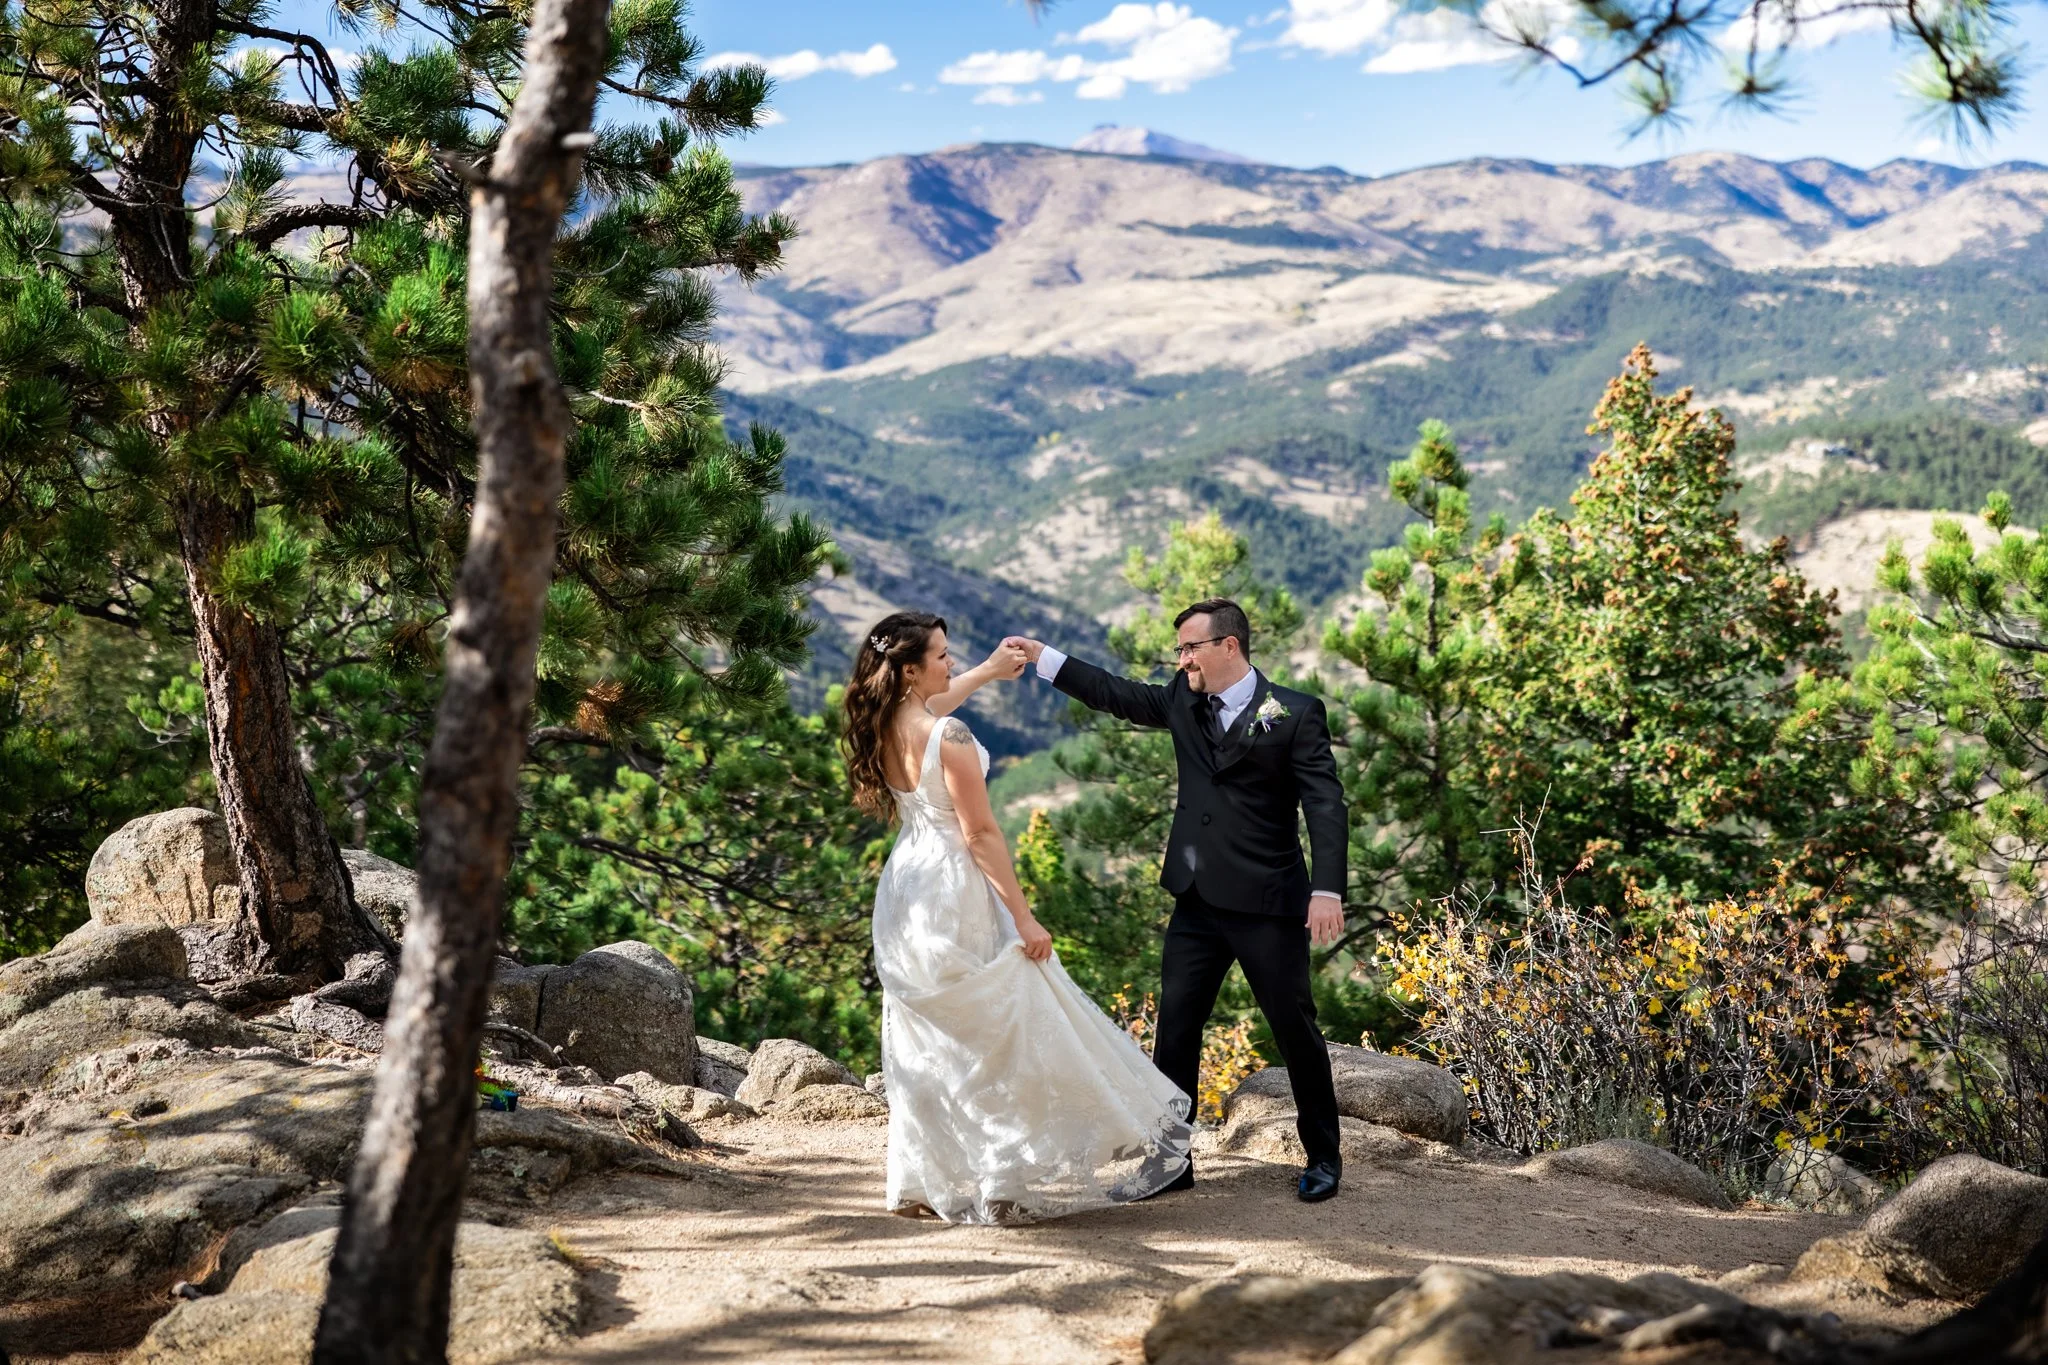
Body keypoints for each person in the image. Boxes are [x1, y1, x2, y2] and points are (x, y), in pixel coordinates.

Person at [844, 611, 1193, 1224]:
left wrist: (984, 672)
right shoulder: (947, 736)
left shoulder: (884, 719)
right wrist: (1025, 917)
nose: (951, 664)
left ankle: (922, 1181)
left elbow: (939, 702)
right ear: (909, 669)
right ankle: (1001, 1180)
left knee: (934, 1031)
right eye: (943, 657)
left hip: (906, 886)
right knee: (998, 1031)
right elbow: (980, 833)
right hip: (955, 884)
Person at [1004, 598, 1349, 1203]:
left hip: (1269, 903)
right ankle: (1170, 1163)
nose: (1181, 658)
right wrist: (1043, 659)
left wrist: (1327, 889)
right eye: (1180, 650)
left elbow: (1325, 805)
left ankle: (1324, 1156)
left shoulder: (1294, 713)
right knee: (1177, 1032)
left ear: (1229, 647)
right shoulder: (1182, 700)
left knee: (1294, 1030)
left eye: (1190, 647)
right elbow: (1114, 692)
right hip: (1195, 900)